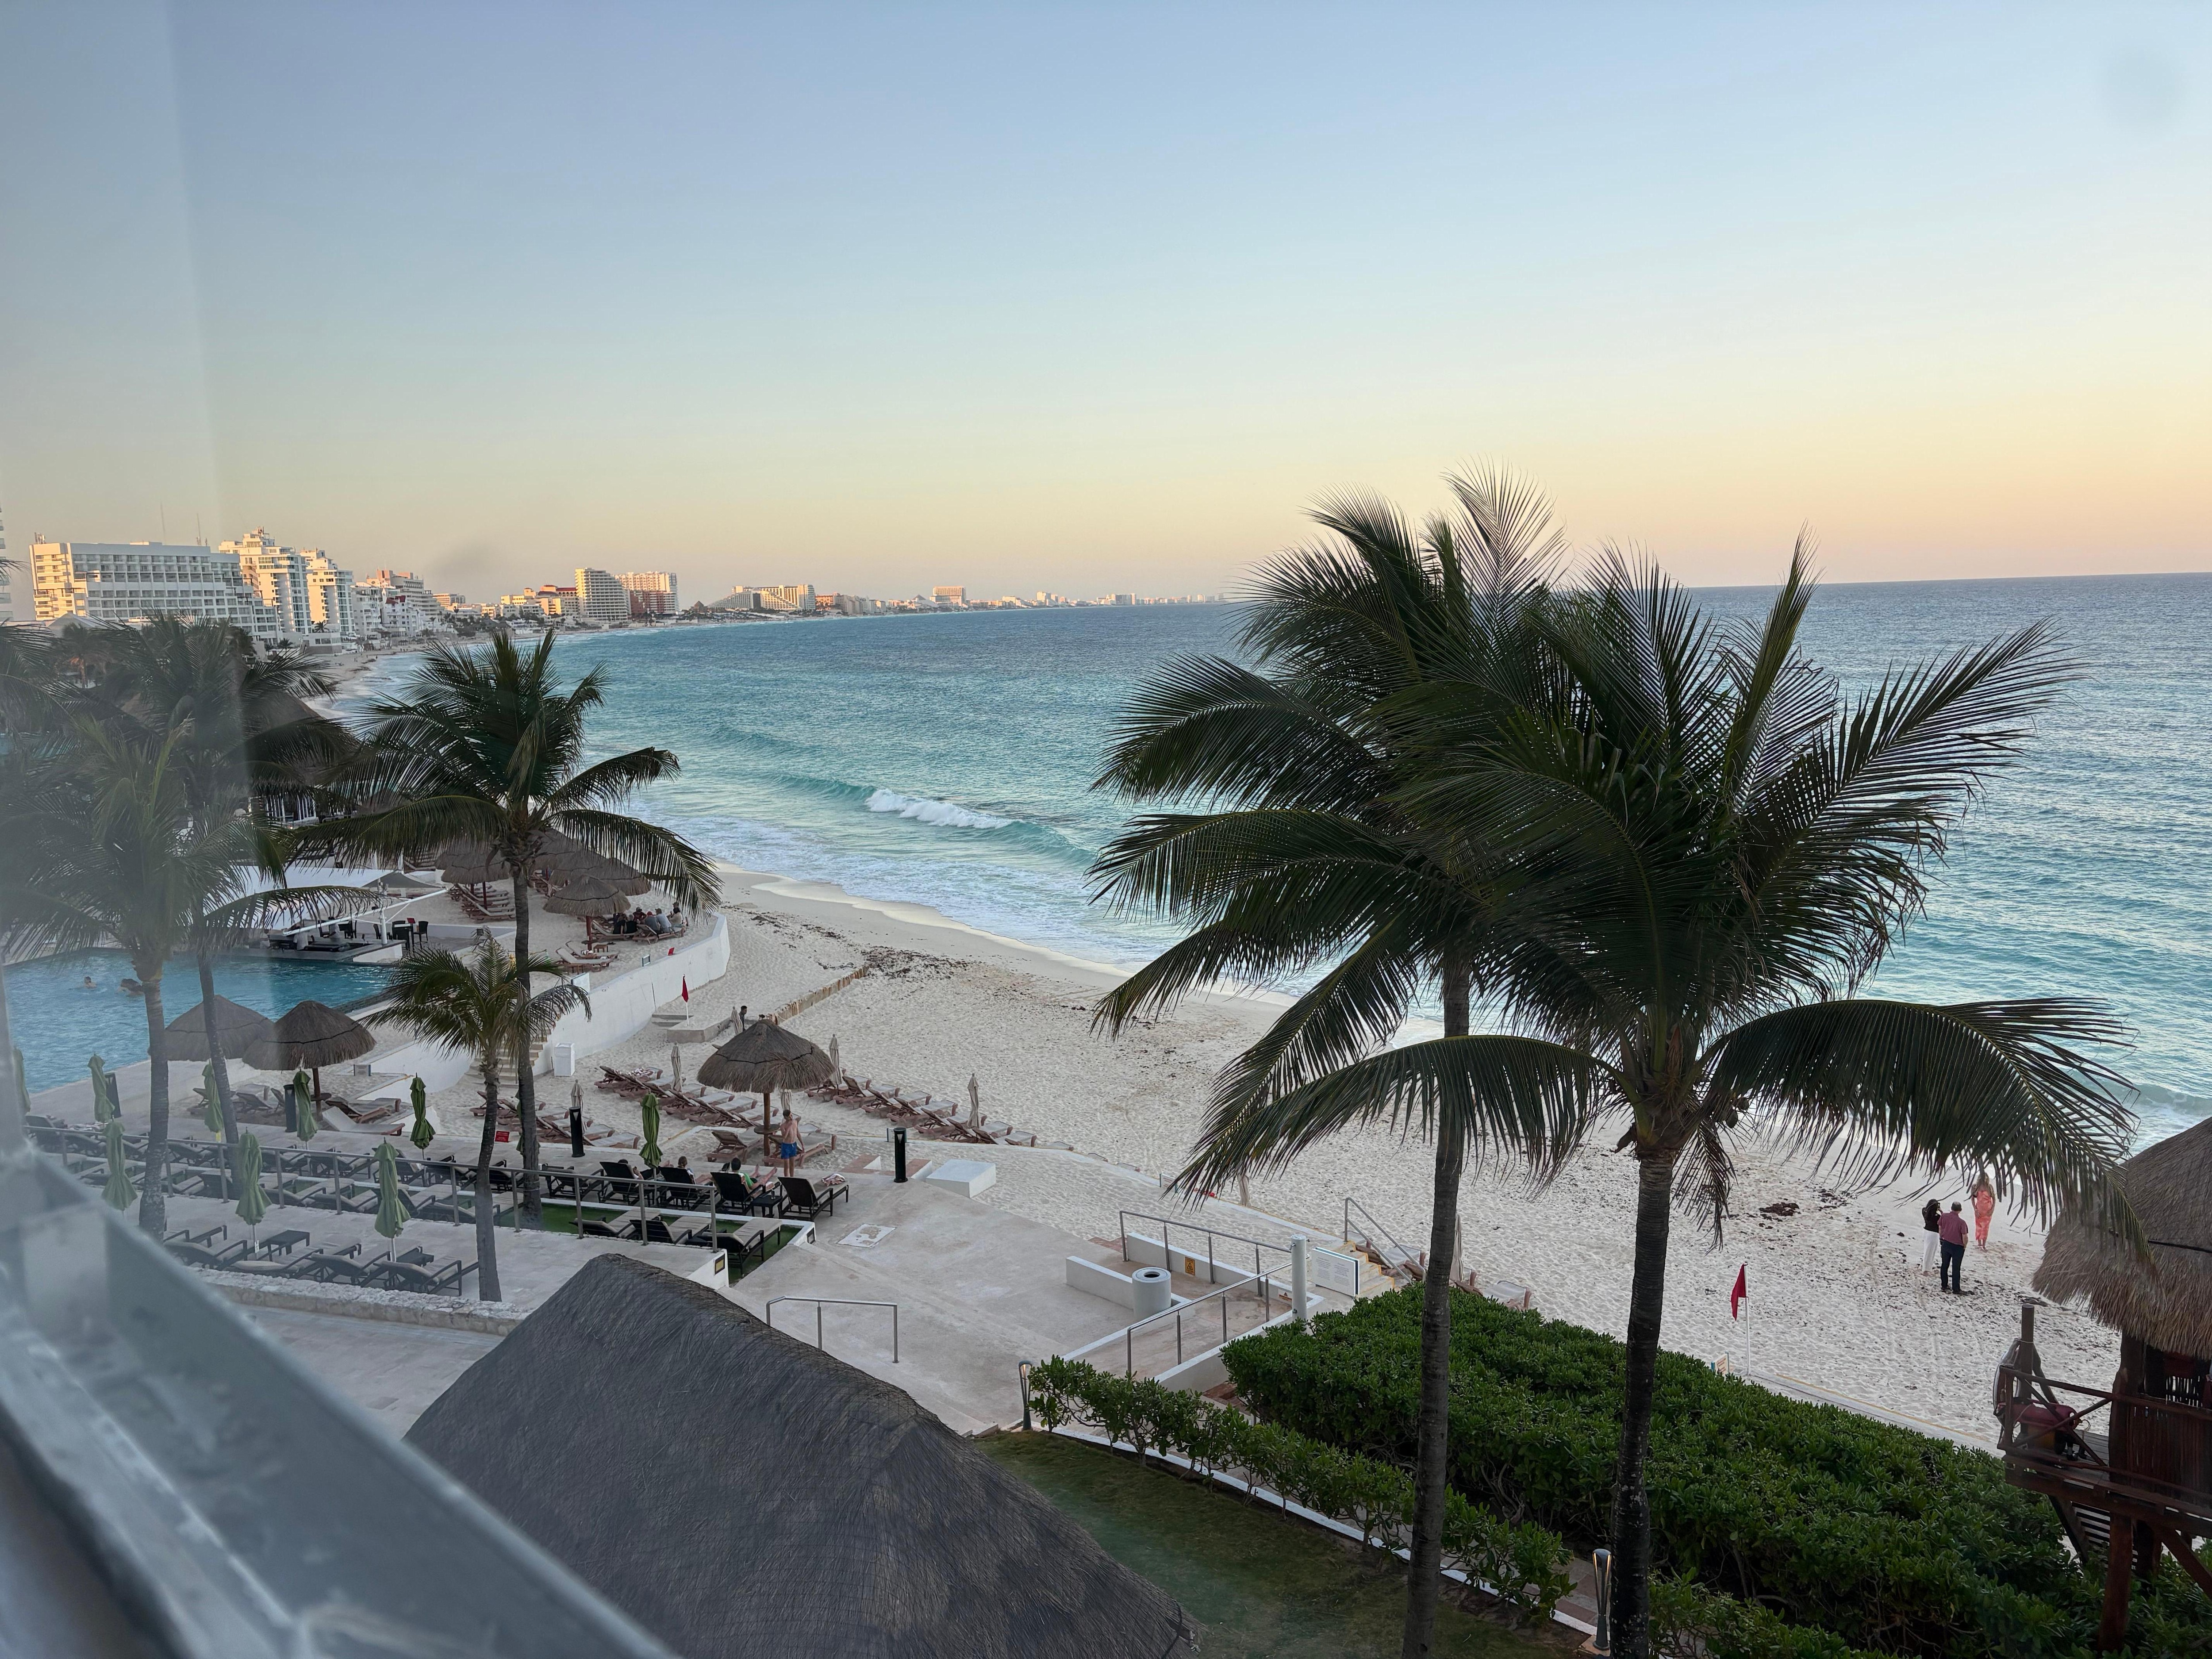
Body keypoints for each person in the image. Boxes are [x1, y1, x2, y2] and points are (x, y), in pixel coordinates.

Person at [1938, 1202, 1970, 1293]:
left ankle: (1944, 1285)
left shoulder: (1944, 1216)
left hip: (1946, 1243)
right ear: (1960, 1210)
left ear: (1951, 1208)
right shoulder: (1962, 1223)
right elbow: (1965, 1237)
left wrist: (1941, 1238)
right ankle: (1956, 1289)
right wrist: (1965, 1246)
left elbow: (1940, 1228)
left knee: (1945, 1265)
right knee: (1956, 1268)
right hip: (1957, 1247)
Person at [777, 1105, 801, 1179]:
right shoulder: (783, 1126)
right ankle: (787, 1179)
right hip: (786, 1146)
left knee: (792, 1165)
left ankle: (792, 1178)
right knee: (786, 1166)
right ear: (785, 1118)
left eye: (791, 1115)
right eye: (789, 1117)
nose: (791, 1118)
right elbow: (784, 1137)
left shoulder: (795, 1122)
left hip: (793, 1145)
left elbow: (798, 1133)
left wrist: (802, 1144)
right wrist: (789, 1127)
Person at [1972, 1179, 1996, 1248]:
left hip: (1988, 1211)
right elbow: (1972, 1198)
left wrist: (1992, 1209)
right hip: (1979, 1210)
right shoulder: (1976, 1187)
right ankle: (1979, 1244)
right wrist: (1975, 1210)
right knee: (1979, 1227)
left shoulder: (1989, 1187)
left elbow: (1994, 1199)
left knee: (1986, 1228)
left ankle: (1984, 1245)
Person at [1921, 1198, 1943, 1271]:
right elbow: (1944, 1220)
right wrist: (1941, 1211)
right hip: (1934, 1234)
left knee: (1927, 1250)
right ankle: (1926, 1269)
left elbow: (1925, 1209)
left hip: (1926, 1232)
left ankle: (1925, 1266)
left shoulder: (1925, 1212)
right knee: (1931, 1252)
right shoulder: (1938, 1217)